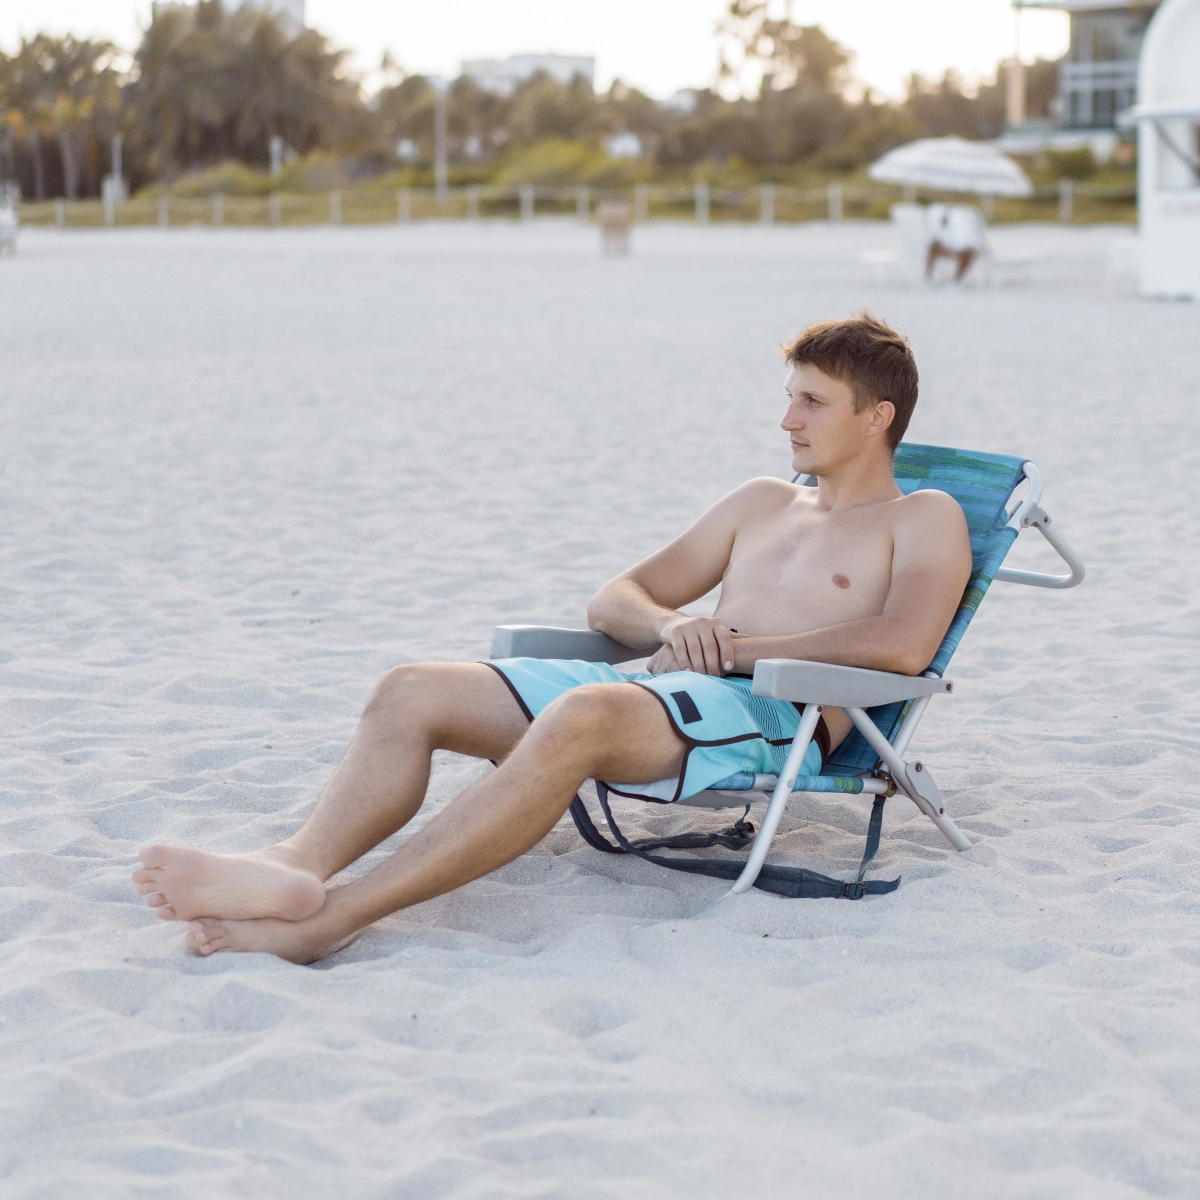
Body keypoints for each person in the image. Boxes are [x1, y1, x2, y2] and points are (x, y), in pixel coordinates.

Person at [132, 313, 972, 964]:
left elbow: (903, 647)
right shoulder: (762, 501)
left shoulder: (923, 517)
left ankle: (342, 916)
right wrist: (678, 624)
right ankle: (297, 864)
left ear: (877, 417)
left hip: (774, 715)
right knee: (411, 689)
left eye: (811, 401)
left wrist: (737, 649)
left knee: (580, 718)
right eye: (789, 395)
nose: (786, 418)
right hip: (662, 693)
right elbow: (616, 597)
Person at [925, 203, 985, 282]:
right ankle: (930, 277)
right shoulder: (941, 217)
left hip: (962, 249)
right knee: (934, 246)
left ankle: (955, 280)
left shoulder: (966, 220)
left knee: (972, 252)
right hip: (951, 248)